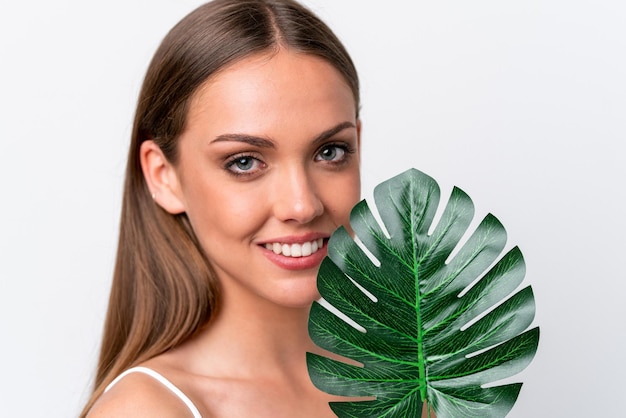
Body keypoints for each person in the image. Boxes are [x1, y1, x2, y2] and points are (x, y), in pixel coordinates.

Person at [81, 0, 363, 416]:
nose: (302, 205)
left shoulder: (407, 379)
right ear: (164, 176)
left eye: (330, 151)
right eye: (244, 162)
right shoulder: (148, 410)